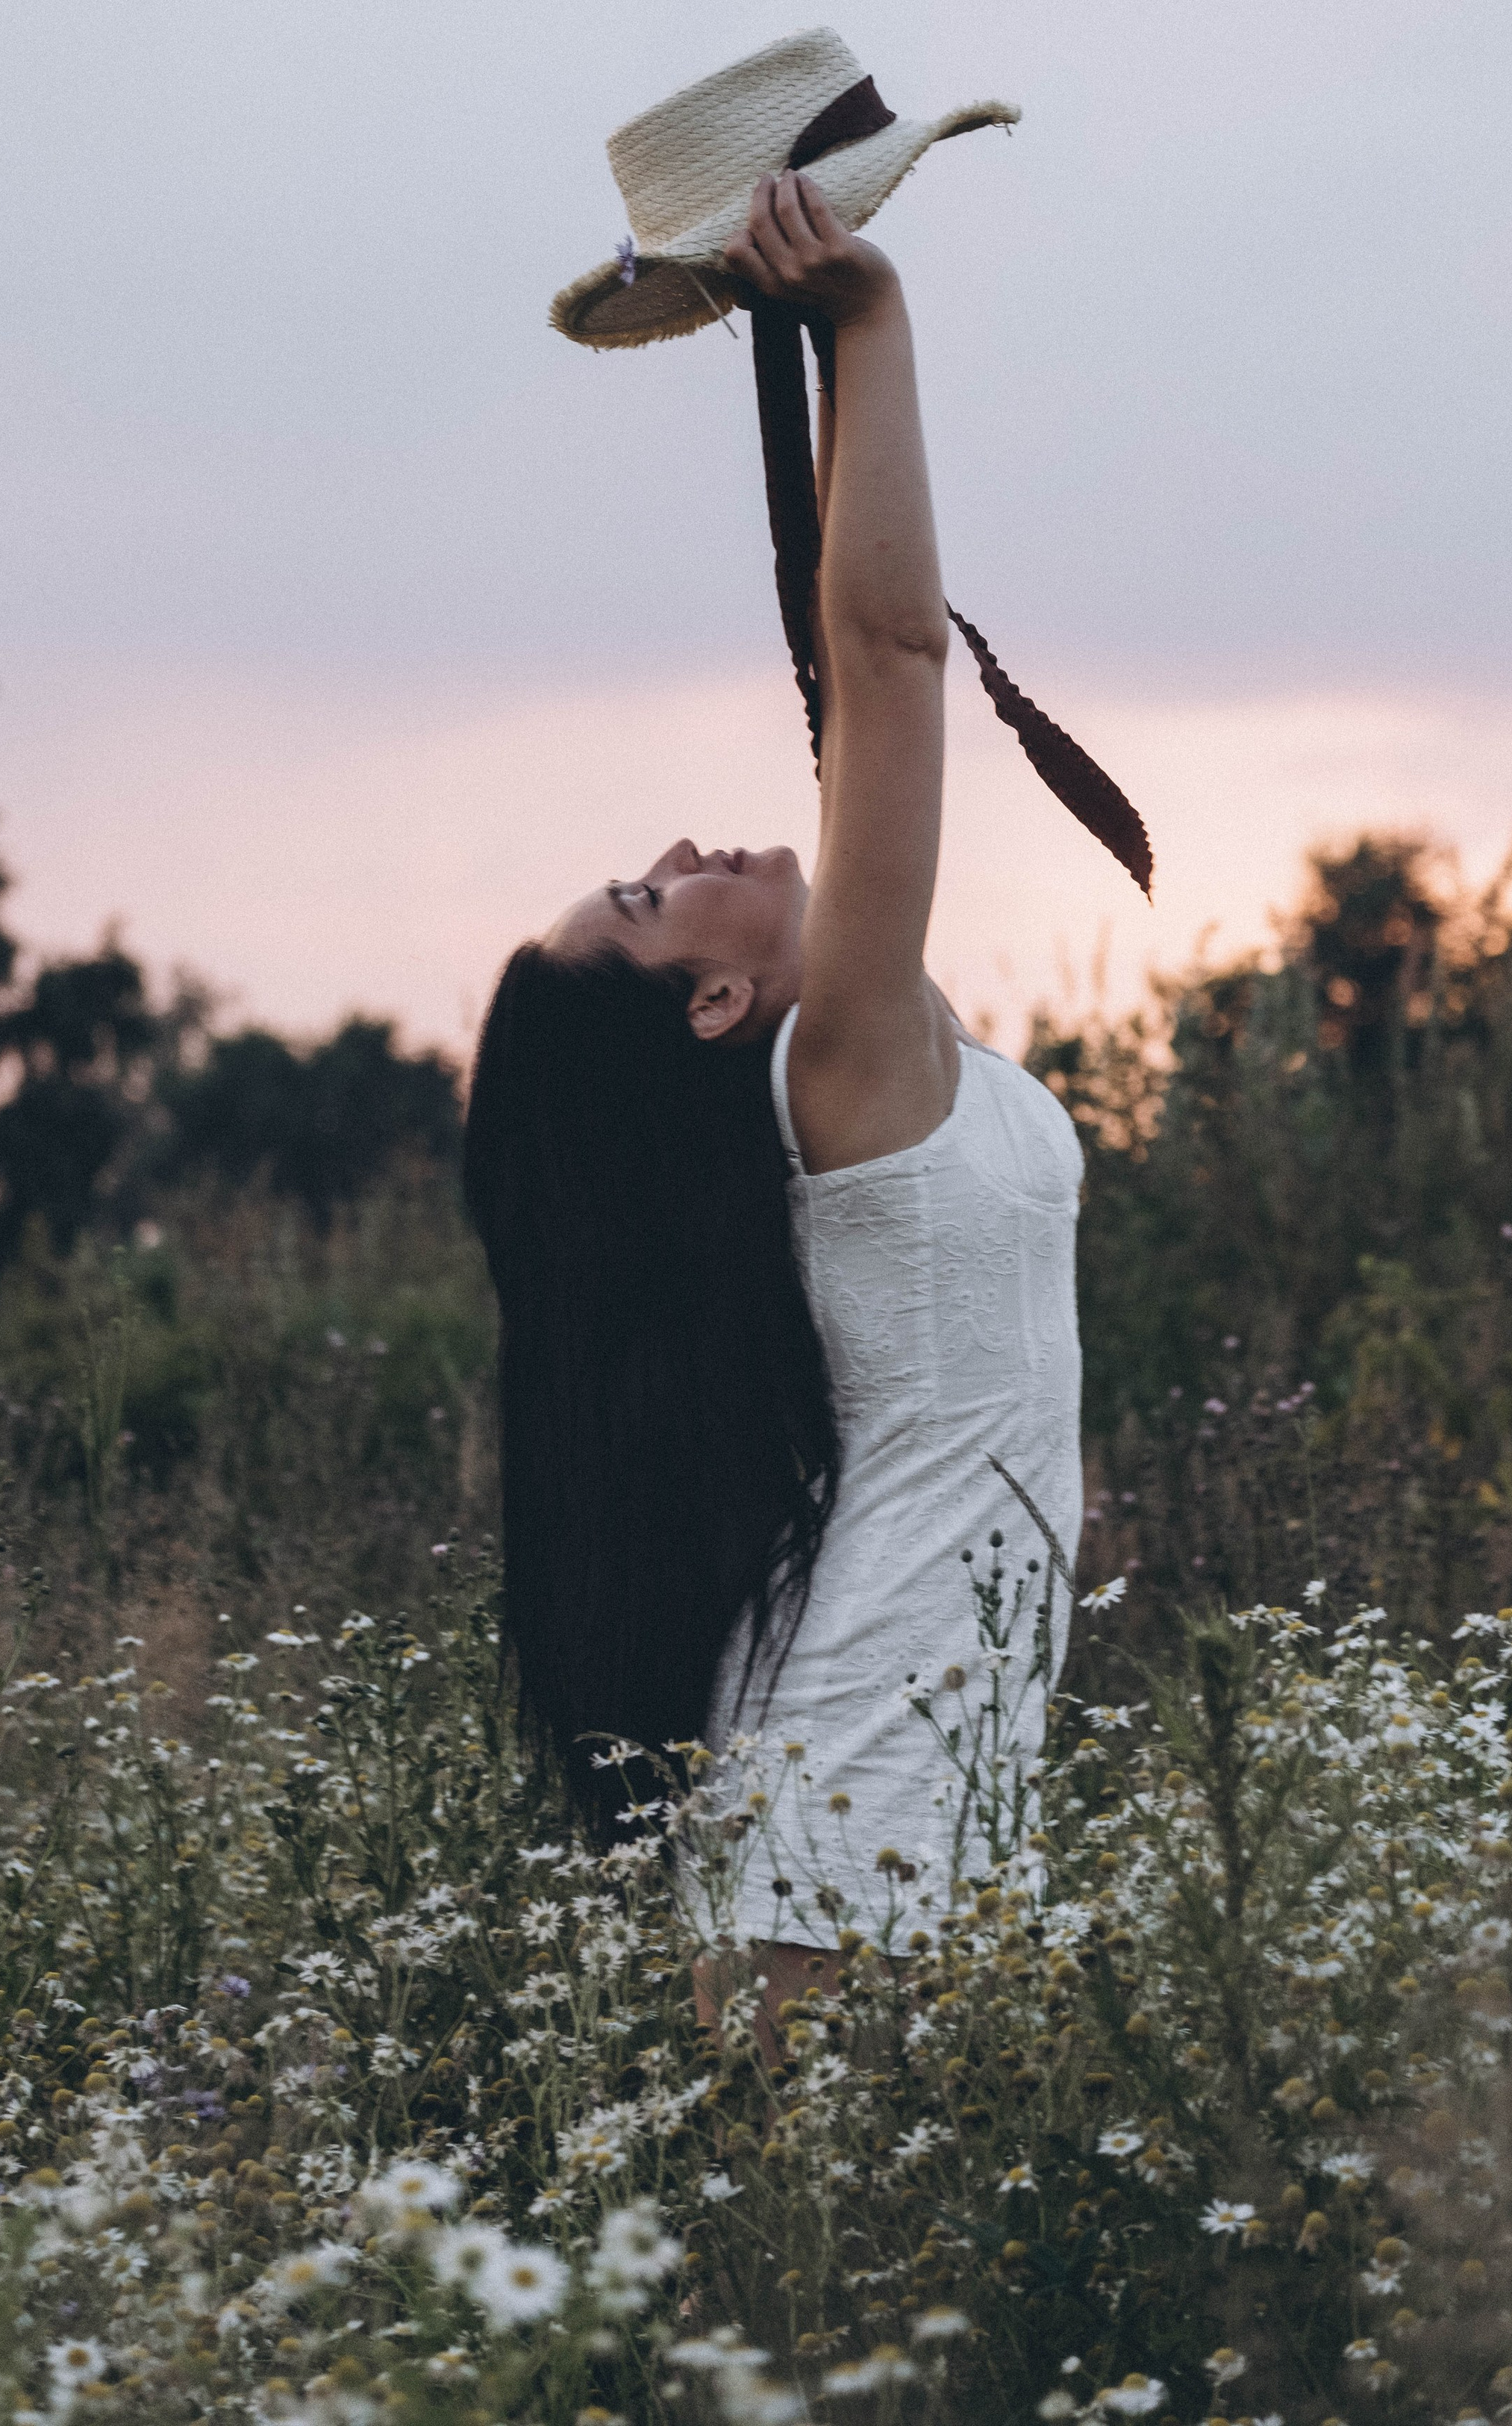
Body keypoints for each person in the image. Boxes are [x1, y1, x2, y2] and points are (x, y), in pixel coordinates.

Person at [462, 169, 1084, 2041]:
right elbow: (890, 668)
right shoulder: (847, 1074)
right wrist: (871, 322)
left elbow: (850, 668)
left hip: (881, 1830)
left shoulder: (864, 1076)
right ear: (717, 1006)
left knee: (846, 2323)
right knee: (827, 2329)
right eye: (648, 903)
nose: (680, 846)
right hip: (856, 1849)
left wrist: (802, 354)